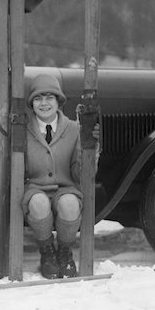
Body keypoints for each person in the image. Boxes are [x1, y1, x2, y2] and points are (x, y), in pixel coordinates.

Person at [21, 73, 99, 279]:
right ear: (31, 103)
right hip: (35, 188)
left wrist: (91, 149)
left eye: (49, 98)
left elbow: (78, 173)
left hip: (65, 188)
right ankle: (47, 252)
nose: (44, 103)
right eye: (38, 98)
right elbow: (22, 171)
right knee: (38, 203)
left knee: (70, 204)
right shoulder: (23, 130)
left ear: (59, 101)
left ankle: (64, 251)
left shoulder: (74, 128)